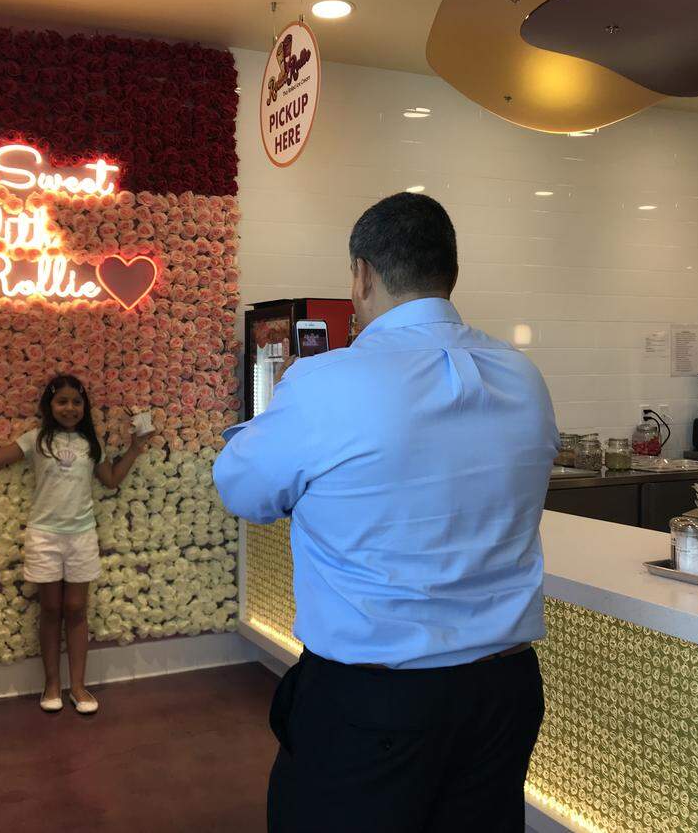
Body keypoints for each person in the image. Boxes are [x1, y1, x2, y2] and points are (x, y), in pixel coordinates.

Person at [214, 193, 559, 832]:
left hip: (376, 702)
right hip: (504, 694)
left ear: (363, 274)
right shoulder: (522, 376)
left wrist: (288, 400)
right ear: (448, 272)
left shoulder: (326, 382)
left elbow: (243, 491)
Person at [0, 374, 152, 714]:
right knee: (51, 610)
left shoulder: (91, 444)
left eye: (76, 402)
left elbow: (110, 480)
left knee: (77, 611)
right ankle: (52, 685)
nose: (69, 408)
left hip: (81, 537)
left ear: (85, 407)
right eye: (62, 401)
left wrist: (136, 448)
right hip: (44, 536)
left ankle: (78, 687)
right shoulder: (36, 439)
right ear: (49, 406)